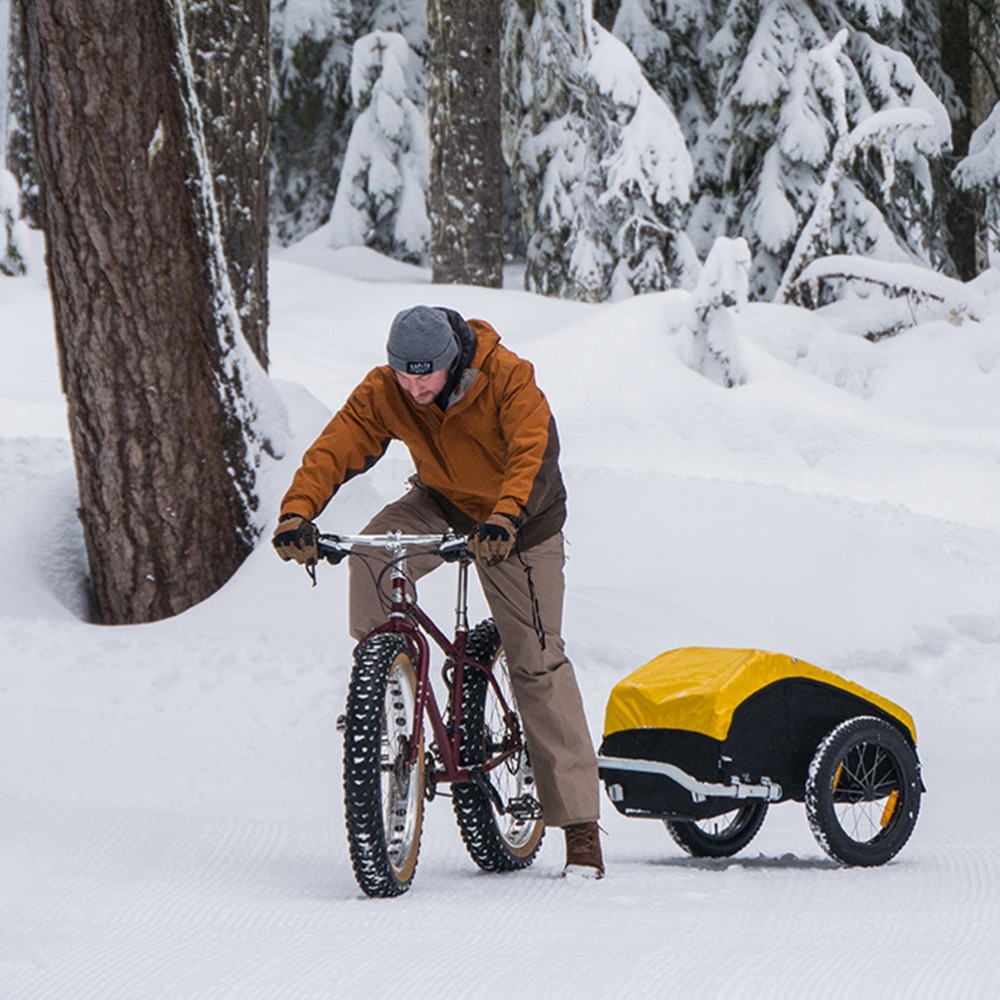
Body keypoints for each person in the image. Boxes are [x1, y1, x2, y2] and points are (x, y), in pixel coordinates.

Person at [273, 304, 604, 878]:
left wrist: (505, 517)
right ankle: (383, 687)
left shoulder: (506, 376)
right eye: (404, 372)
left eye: (425, 373)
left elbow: (532, 450)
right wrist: (297, 512)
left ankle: (579, 829)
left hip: (520, 523)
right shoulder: (387, 390)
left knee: (536, 663)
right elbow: (337, 446)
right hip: (443, 503)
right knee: (374, 552)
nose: (414, 385)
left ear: (452, 362)